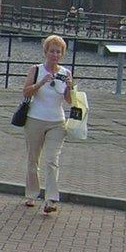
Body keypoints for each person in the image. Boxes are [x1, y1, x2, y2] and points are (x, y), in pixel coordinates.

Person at [21, 34, 75, 215]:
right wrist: (41, 82)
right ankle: (31, 194)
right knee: (33, 158)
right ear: (45, 52)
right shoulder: (35, 70)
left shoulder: (66, 73)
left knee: (52, 159)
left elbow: (69, 101)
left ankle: (51, 199)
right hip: (35, 119)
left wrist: (69, 87)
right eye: (52, 51)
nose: (55, 55)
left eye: (58, 52)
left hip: (57, 121)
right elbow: (26, 91)